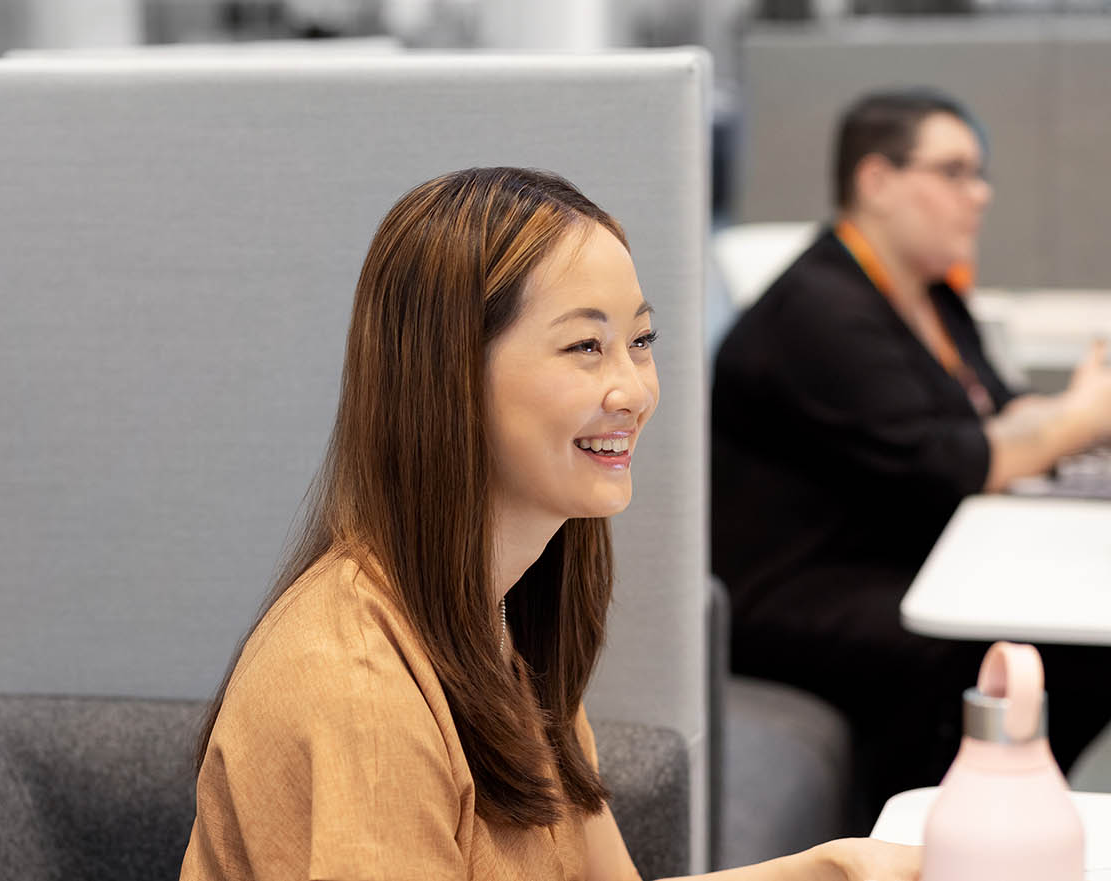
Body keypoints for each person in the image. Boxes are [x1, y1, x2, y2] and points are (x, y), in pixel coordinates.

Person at [180, 167, 919, 880]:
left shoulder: (499, 621)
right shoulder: (361, 686)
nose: (634, 390)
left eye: (642, 341)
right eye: (585, 347)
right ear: (451, 378)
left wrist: (830, 868)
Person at [712, 89, 1111, 817]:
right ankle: (937, 826)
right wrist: (1080, 417)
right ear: (876, 181)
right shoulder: (820, 309)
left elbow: (995, 407)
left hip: (894, 551)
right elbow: (951, 462)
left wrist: (1077, 412)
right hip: (796, 592)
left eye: (979, 173)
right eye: (955, 171)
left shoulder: (926, 291)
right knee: (1061, 655)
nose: (979, 193)